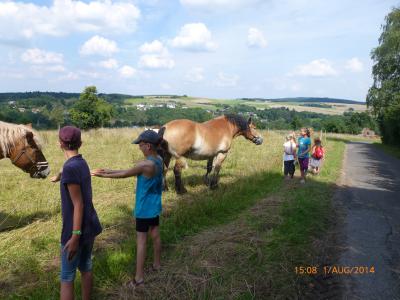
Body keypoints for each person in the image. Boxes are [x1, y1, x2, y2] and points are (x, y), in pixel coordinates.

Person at [91, 130, 163, 287]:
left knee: (141, 242)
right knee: (155, 234)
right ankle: (157, 264)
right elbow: (126, 171)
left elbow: (124, 174)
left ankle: (139, 278)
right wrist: (106, 170)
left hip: (143, 210)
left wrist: (102, 175)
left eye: (140, 144)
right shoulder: (159, 160)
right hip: (155, 206)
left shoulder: (145, 164)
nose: (139, 147)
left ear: (148, 146)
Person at [51, 126, 102, 300]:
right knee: (86, 267)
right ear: (80, 143)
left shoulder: (70, 169)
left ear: (60, 144)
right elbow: (70, 170)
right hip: (90, 226)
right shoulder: (81, 162)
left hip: (75, 231)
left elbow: (78, 204)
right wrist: (58, 175)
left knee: (66, 277)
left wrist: (74, 237)